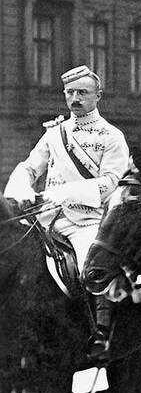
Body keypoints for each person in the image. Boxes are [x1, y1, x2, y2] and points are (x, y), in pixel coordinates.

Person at [3, 64, 129, 357]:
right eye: (70, 92)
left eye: (83, 92)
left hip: (85, 220)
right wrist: (19, 193)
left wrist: (60, 193)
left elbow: (111, 182)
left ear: (98, 95)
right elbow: (30, 166)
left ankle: (100, 332)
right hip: (46, 218)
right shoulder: (54, 133)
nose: (75, 98)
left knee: (92, 268)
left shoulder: (111, 136)